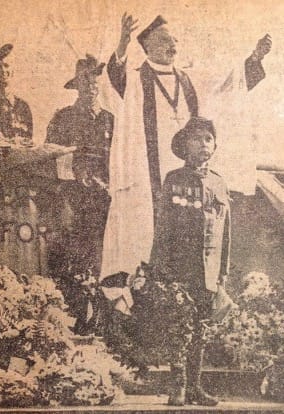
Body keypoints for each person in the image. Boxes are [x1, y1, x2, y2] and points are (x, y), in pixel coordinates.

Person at [100, 14, 271, 279]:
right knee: (144, 239)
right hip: (147, 178)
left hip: (185, 177)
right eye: (165, 40)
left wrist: (254, 59)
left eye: (175, 39)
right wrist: (122, 44)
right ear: (147, 46)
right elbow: (112, 81)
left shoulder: (190, 81)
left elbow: (228, 88)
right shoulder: (134, 81)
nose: (173, 44)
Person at [150, 116, 230, 406]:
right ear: (185, 145)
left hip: (207, 270)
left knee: (200, 328)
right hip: (179, 267)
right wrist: (161, 267)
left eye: (208, 138)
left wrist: (222, 274)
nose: (203, 144)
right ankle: (178, 386)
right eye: (197, 138)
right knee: (179, 326)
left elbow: (225, 233)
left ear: (215, 145)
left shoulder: (219, 183)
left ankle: (195, 386)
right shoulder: (174, 180)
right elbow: (164, 227)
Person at [46, 54, 114, 334]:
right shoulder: (62, 118)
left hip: (103, 203)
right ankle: (70, 328)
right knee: (69, 264)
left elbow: (120, 162)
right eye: (86, 77)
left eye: (96, 77)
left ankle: (100, 329)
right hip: (71, 203)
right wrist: (77, 172)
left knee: (100, 263)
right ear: (77, 84)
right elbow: (50, 159)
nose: (92, 83)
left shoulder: (111, 120)